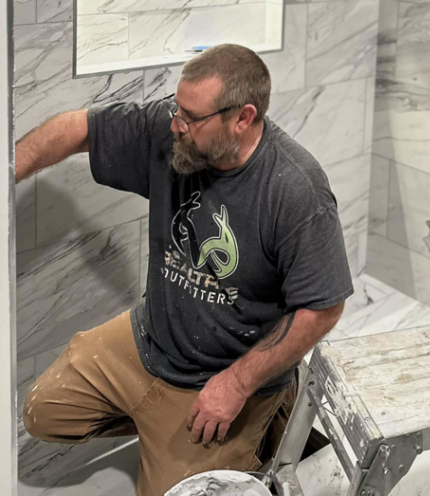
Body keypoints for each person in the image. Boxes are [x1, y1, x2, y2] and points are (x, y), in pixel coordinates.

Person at [17, 44, 353, 496]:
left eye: (191, 117)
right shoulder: (173, 133)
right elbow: (78, 128)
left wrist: (235, 385)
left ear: (242, 117)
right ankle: (162, 421)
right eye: (177, 108)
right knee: (44, 412)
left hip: (220, 371)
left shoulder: (295, 189)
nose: (176, 123)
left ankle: (265, 414)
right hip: (151, 335)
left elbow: (323, 308)